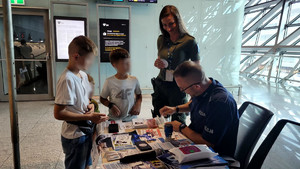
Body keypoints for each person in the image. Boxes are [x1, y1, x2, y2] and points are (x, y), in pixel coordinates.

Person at [160, 61, 239, 157]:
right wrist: (175, 109)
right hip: (197, 143)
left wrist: (181, 127)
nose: (181, 91)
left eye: (183, 89)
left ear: (197, 86)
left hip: (215, 155)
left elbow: (208, 143)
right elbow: (193, 104)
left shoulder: (219, 102)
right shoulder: (204, 87)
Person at [54, 36, 108, 169]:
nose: (91, 63)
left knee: (87, 164)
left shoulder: (82, 75)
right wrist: (88, 117)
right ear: (76, 56)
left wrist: (89, 107)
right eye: (89, 59)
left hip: (86, 131)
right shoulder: (67, 79)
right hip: (74, 136)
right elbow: (58, 113)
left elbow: (84, 100)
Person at [152, 5, 200, 124]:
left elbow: (197, 69)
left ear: (178, 21)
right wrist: (158, 63)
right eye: (164, 25)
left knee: (178, 121)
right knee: (158, 119)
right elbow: (161, 58)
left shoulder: (189, 41)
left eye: (171, 24)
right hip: (161, 84)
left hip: (179, 86)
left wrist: (195, 91)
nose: (168, 28)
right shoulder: (161, 39)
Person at [100, 48, 142, 122]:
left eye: (129, 62)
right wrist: (111, 106)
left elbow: (139, 96)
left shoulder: (134, 80)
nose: (128, 65)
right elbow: (102, 99)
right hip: (115, 119)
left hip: (131, 118)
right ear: (114, 65)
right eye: (124, 63)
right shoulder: (109, 81)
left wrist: (138, 105)